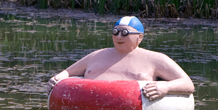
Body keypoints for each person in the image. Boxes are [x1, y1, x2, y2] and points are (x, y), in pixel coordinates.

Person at [48, 16, 194, 102]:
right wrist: (56, 80)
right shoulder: (97, 55)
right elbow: (67, 73)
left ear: (139, 37)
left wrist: (166, 87)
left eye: (125, 33)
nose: (119, 37)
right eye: (115, 32)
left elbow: (188, 84)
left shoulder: (156, 59)